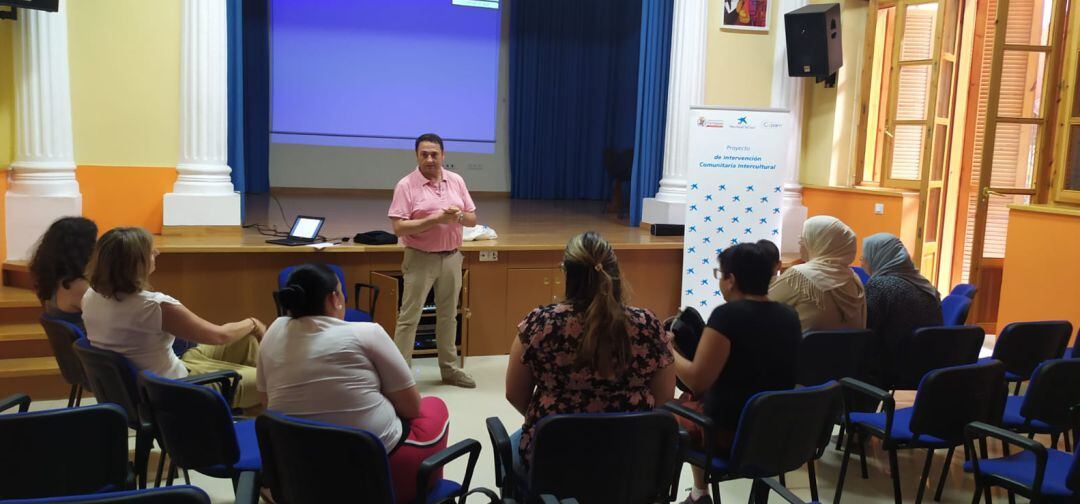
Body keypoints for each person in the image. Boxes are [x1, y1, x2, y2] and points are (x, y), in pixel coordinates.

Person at [257, 264, 448, 504]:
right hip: (372, 473)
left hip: (298, 469)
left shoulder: (273, 330)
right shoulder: (368, 333)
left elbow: (267, 403)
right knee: (434, 407)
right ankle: (421, 492)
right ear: (334, 298)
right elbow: (411, 409)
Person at [504, 231, 676, 470]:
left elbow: (515, 394)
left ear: (566, 273)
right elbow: (665, 396)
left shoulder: (540, 323)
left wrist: (562, 422)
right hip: (629, 458)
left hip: (556, 456)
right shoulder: (647, 324)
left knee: (509, 456)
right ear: (614, 272)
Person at [81, 227, 266, 410]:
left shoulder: (90, 296)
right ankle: (242, 419)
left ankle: (238, 415)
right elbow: (218, 336)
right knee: (271, 382)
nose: (157, 252)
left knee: (246, 342)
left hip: (139, 388)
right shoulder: (153, 306)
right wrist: (253, 323)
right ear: (136, 263)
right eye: (150, 252)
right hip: (176, 390)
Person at [672, 242, 802, 504]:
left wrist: (666, 349)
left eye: (720, 275)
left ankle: (690, 493)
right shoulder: (789, 315)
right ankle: (699, 493)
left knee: (667, 412)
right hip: (778, 431)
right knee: (691, 404)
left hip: (730, 434)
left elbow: (697, 381)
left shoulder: (726, 317)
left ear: (731, 280)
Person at [388, 133, 477, 388]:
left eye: (434, 154)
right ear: (416, 156)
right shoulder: (406, 185)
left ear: (443, 156)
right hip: (420, 259)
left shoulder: (456, 181)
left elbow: (472, 219)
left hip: (451, 258)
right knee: (409, 318)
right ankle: (401, 376)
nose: (429, 159)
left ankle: (449, 370)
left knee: (449, 317)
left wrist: (458, 216)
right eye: (424, 154)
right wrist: (434, 220)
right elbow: (398, 228)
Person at [861, 233, 943, 387]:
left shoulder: (880, 286)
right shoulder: (924, 284)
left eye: (864, 256)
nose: (862, 261)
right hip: (926, 364)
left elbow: (865, 329)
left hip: (890, 367)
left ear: (878, 257)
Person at [769, 215, 866, 332]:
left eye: (805, 238)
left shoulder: (800, 276)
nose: (800, 243)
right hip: (846, 350)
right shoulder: (854, 279)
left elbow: (761, 306)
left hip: (799, 349)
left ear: (821, 243)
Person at [28, 217, 98, 329]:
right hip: (87, 343)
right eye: (94, 241)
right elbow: (106, 319)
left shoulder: (52, 277)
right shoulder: (78, 286)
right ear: (84, 248)